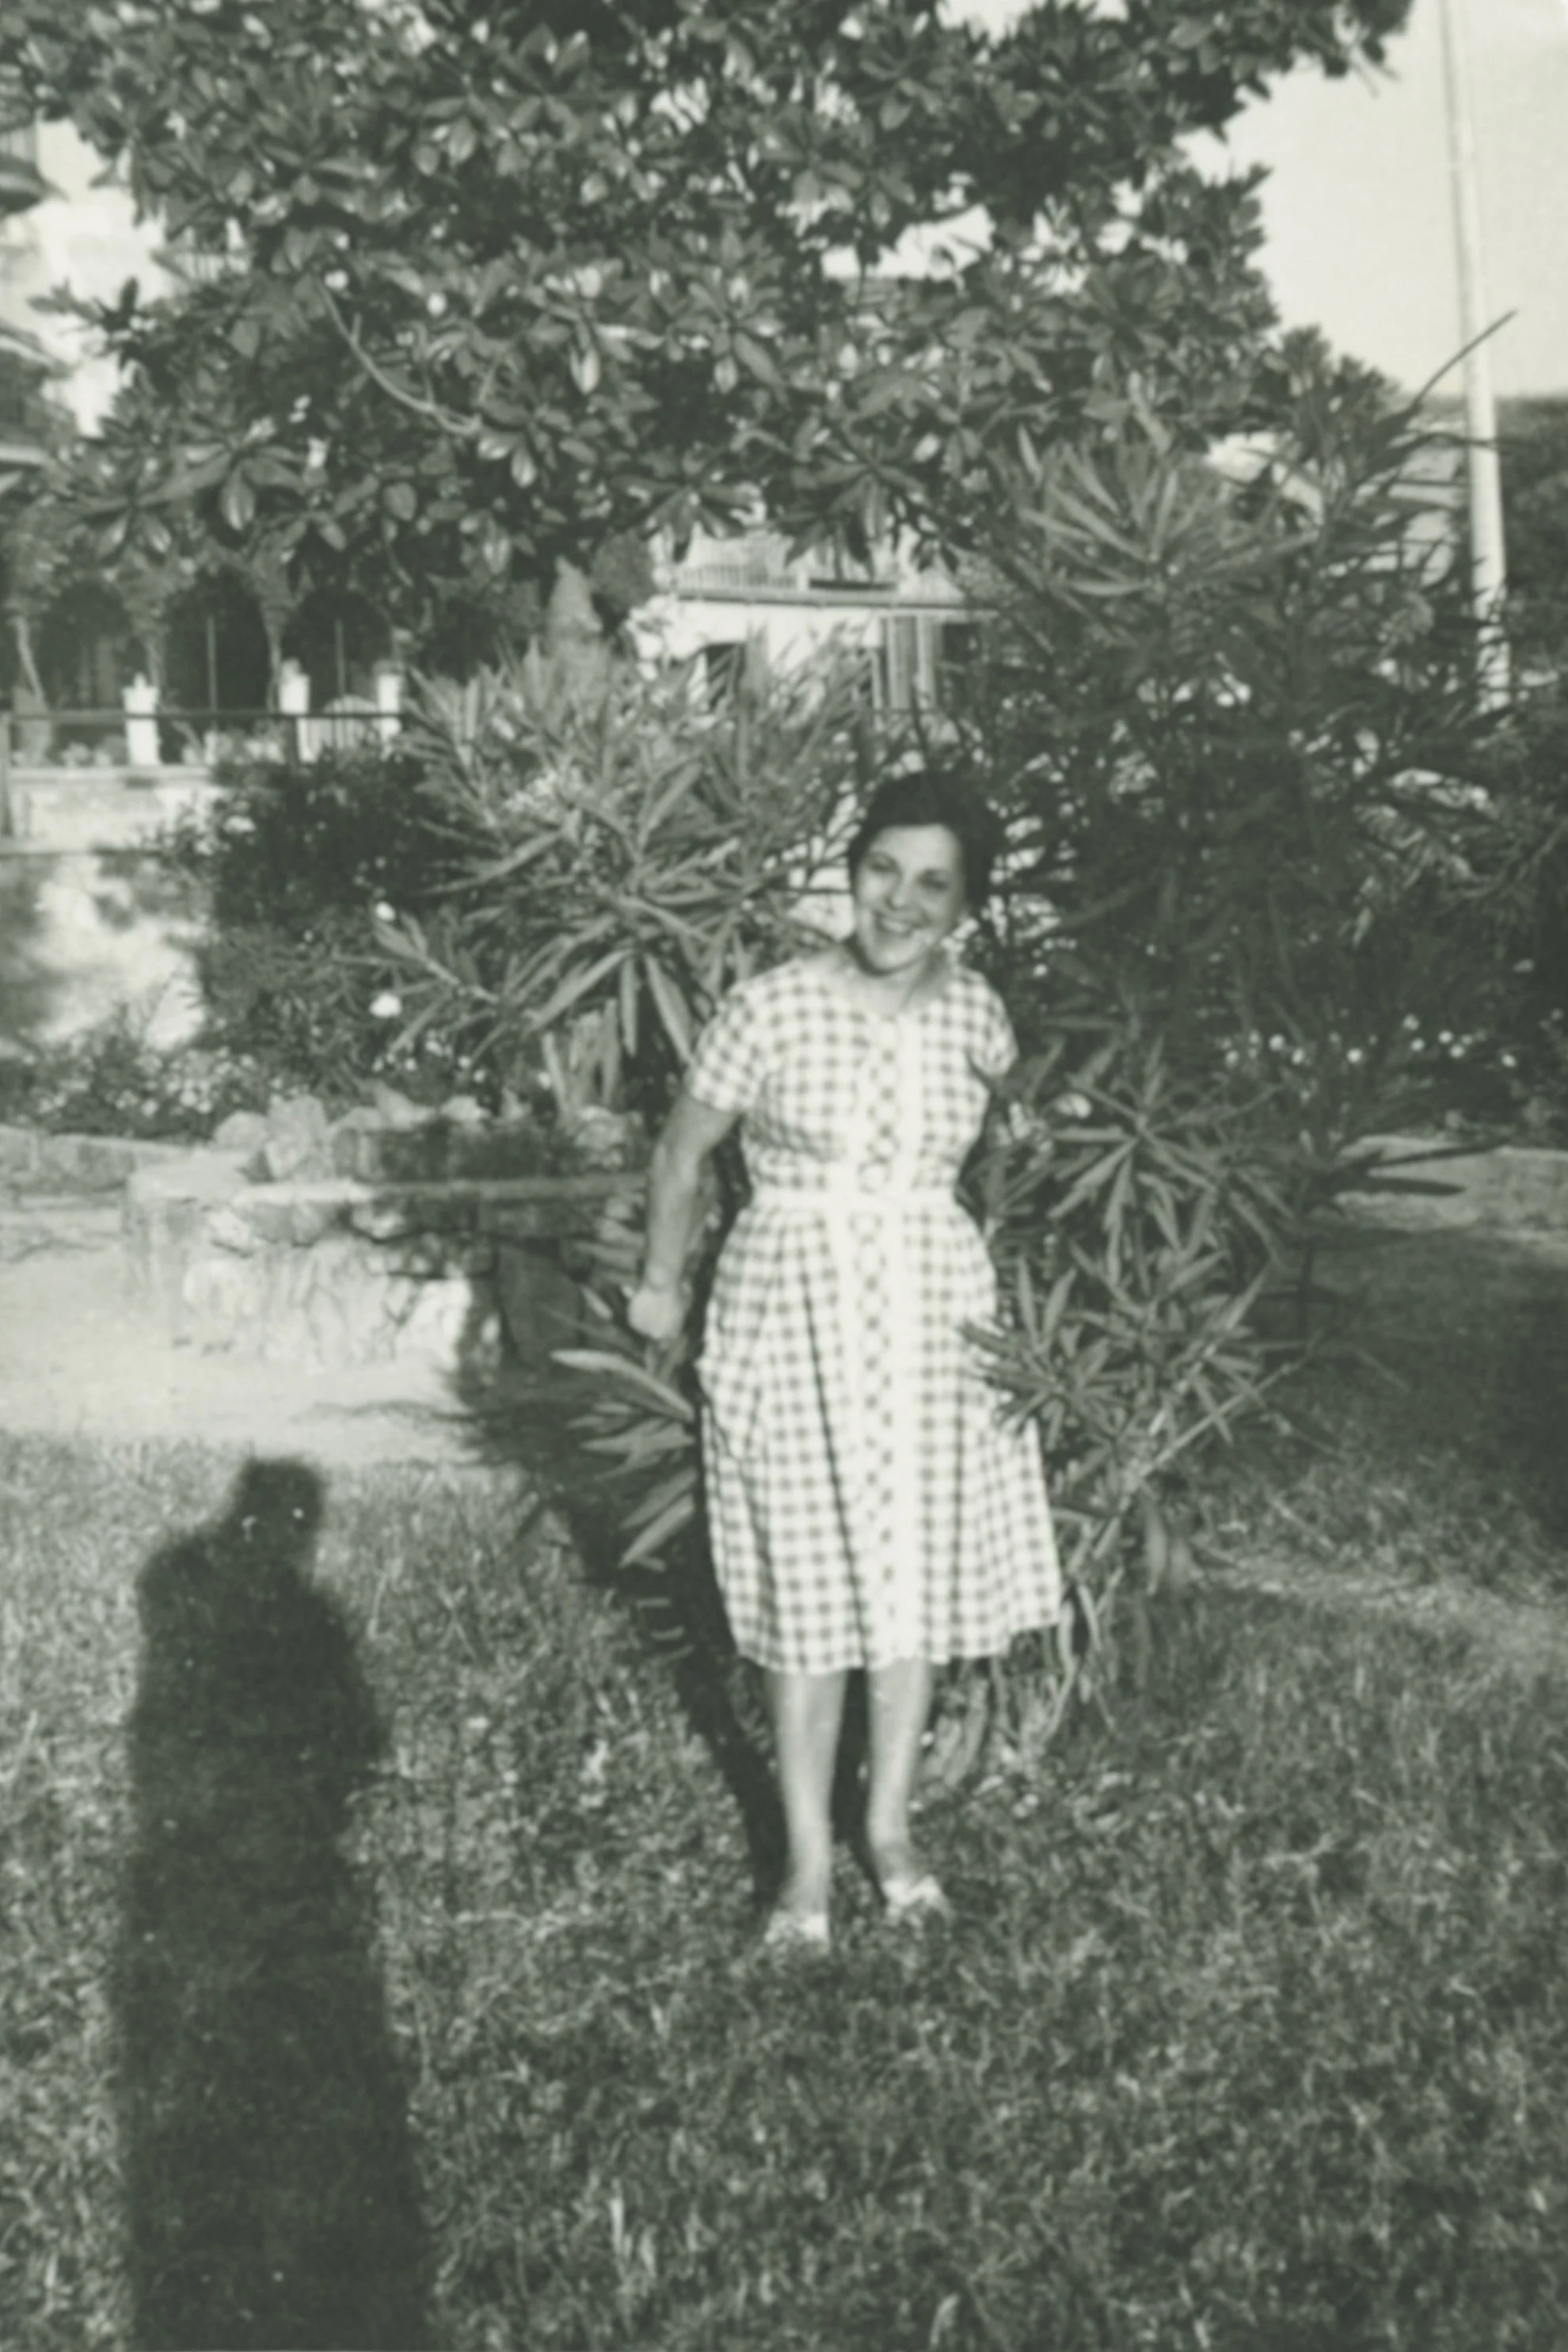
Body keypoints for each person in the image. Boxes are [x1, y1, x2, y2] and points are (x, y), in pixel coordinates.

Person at [627, 771, 1060, 1950]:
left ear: (965, 903)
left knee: (911, 1580)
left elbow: (1003, 1143)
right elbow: (683, 1154)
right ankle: (807, 1865)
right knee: (807, 1583)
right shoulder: (768, 1007)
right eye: (882, 868)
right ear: (850, 869)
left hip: (932, 1312)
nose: (899, 901)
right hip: (792, 1304)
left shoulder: (979, 1014)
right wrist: (663, 1284)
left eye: (933, 882)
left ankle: (891, 1829)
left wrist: (1015, 1158)